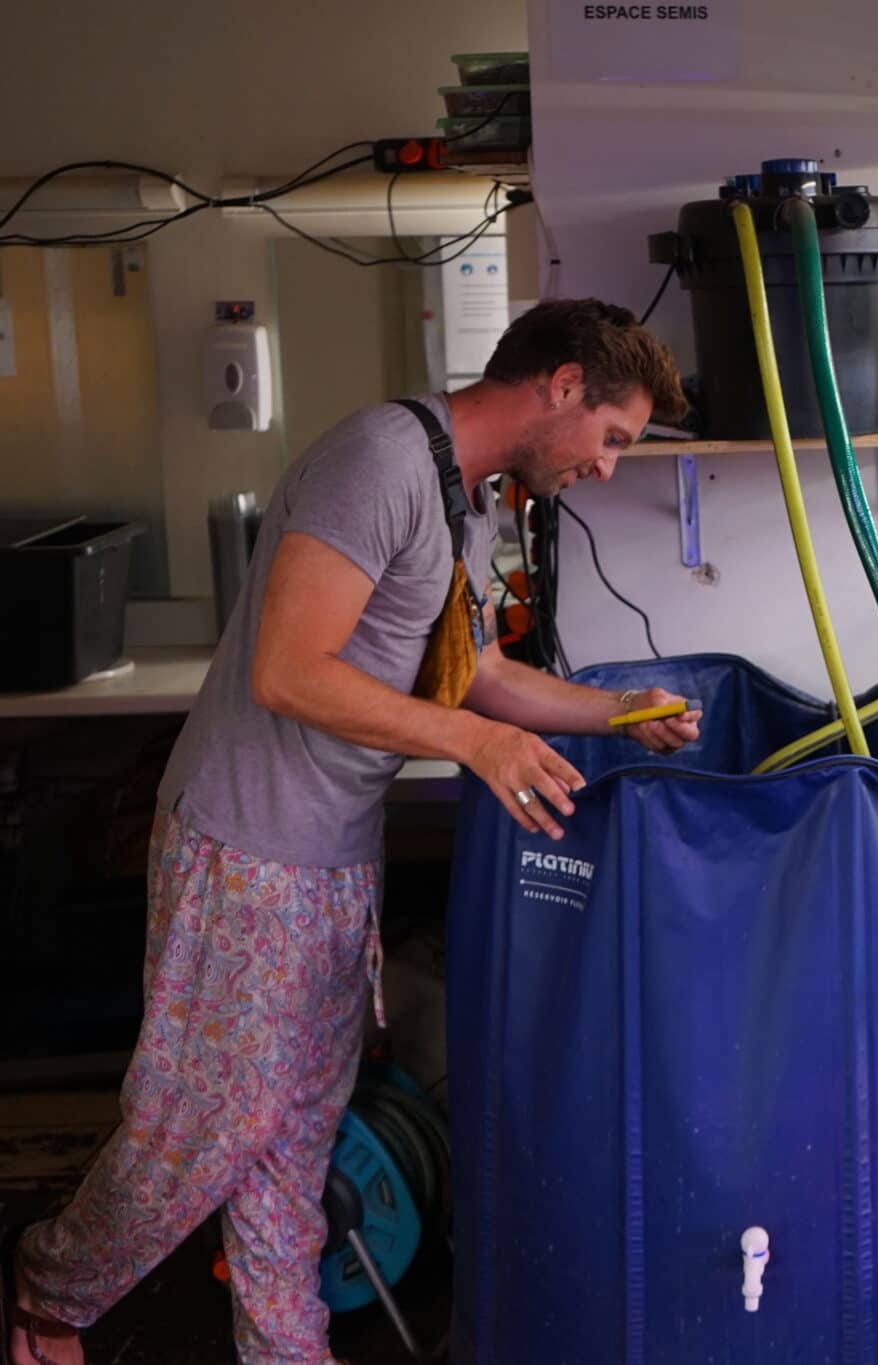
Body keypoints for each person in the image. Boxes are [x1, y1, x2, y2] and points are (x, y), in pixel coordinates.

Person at [3, 299, 697, 1365]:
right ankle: (50, 1295)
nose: (607, 468)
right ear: (561, 386)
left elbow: (486, 674)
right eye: (611, 438)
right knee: (193, 1134)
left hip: (328, 858)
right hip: (246, 848)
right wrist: (471, 746)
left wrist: (624, 712)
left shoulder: (462, 501)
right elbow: (290, 670)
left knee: (292, 1148)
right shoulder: (379, 458)